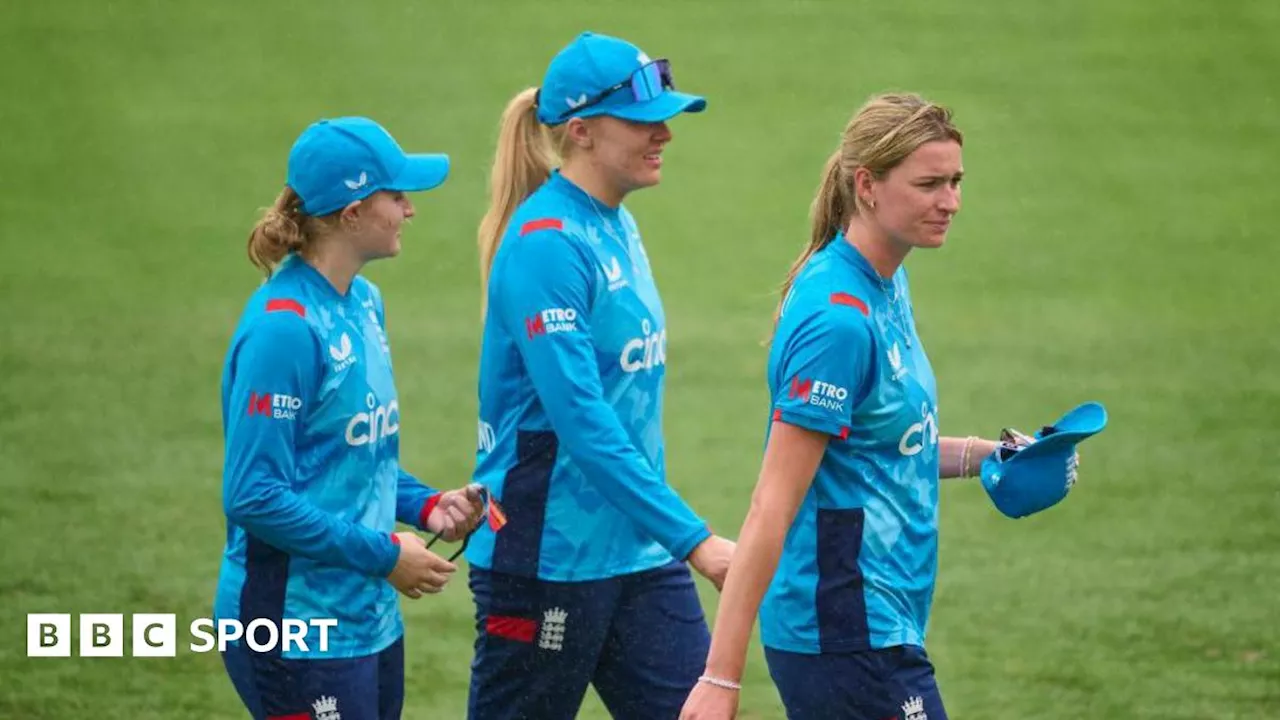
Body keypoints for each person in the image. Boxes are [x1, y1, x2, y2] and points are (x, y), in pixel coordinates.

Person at [681, 93, 1000, 720]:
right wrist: (720, 678)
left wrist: (989, 457)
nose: (951, 202)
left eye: (957, 181)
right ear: (868, 186)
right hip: (844, 630)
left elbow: (875, 447)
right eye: (930, 183)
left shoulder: (887, 281)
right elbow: (771, 504)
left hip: (880, 619)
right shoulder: (838, 320)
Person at [462, 31, 737, 720]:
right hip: (546, 561)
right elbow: (582, 422)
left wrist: (670, 537)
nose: (665, 134)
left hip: (636, 550)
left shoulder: (614, 224)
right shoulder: (547, 245)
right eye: (644, 121)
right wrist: (697, 541)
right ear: (581, 131)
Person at [216, 116, 483, 720]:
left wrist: (425, 504)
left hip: (365, 620)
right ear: (353, 212)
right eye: (396, 196)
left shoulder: (363, 302)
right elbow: (253, 495)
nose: (409, 210)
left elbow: (352, 458)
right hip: (292, 623)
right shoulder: (284, 329)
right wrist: (387, 556)